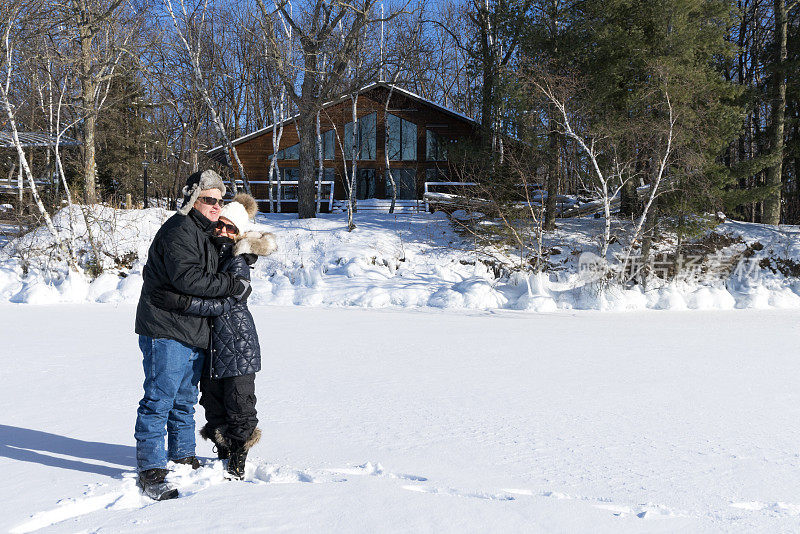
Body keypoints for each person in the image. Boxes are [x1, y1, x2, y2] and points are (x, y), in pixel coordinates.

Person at [134, 170, 252, 500]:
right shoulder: (179, 230)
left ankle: (183, 456)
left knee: (184, 401)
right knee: (159, 399)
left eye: (220, 200)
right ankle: (151, 469)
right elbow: (188, 280)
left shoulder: (205, 233)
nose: (216, 206)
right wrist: (231, 286)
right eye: (209, 199)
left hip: (192, 329)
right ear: (193, 199)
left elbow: (238, 246)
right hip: (165, 328)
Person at [150, 193, 276, 479]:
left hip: (236, 341)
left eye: (230, 228)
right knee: (213, 401)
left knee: (239, 401)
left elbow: (228, 302)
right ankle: (224, 452)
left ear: (240, 234)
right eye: (220, 225)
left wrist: (183, 303)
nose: (222, 231)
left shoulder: (238, 260)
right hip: (210, 342)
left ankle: (238, 457)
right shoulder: (209, 253)